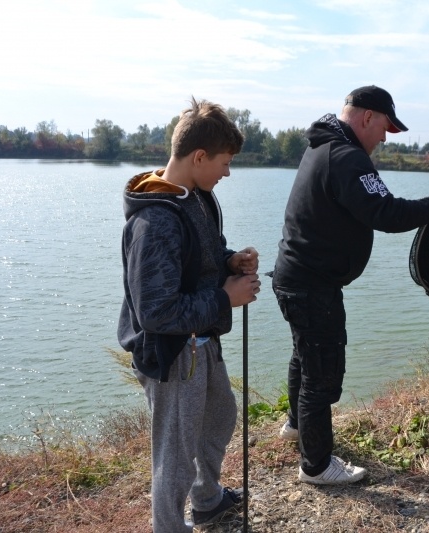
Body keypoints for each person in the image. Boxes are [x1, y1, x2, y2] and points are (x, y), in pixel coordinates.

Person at [272, 85, 429, 485]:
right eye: (385, 128)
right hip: (312, 285)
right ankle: (317, 466)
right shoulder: (347, 157)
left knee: (305, 357)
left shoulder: (322, 146)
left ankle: (296, 427)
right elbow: (388, 213)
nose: (385, 137)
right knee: (321, 375)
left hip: (298, 277)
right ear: (367, 118)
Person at [118, 97, 261, 532]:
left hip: (201, 342)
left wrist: (229, 260)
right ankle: (169, 526)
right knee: (174, 454)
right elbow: (157, 312)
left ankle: (208, 500)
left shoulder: (197, 196)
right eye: (224, 162)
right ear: (199, 156)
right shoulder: (155, 222)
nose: (228, 172)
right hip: (174, 352)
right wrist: (224, 299)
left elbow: (203, 255)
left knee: (220, 414)